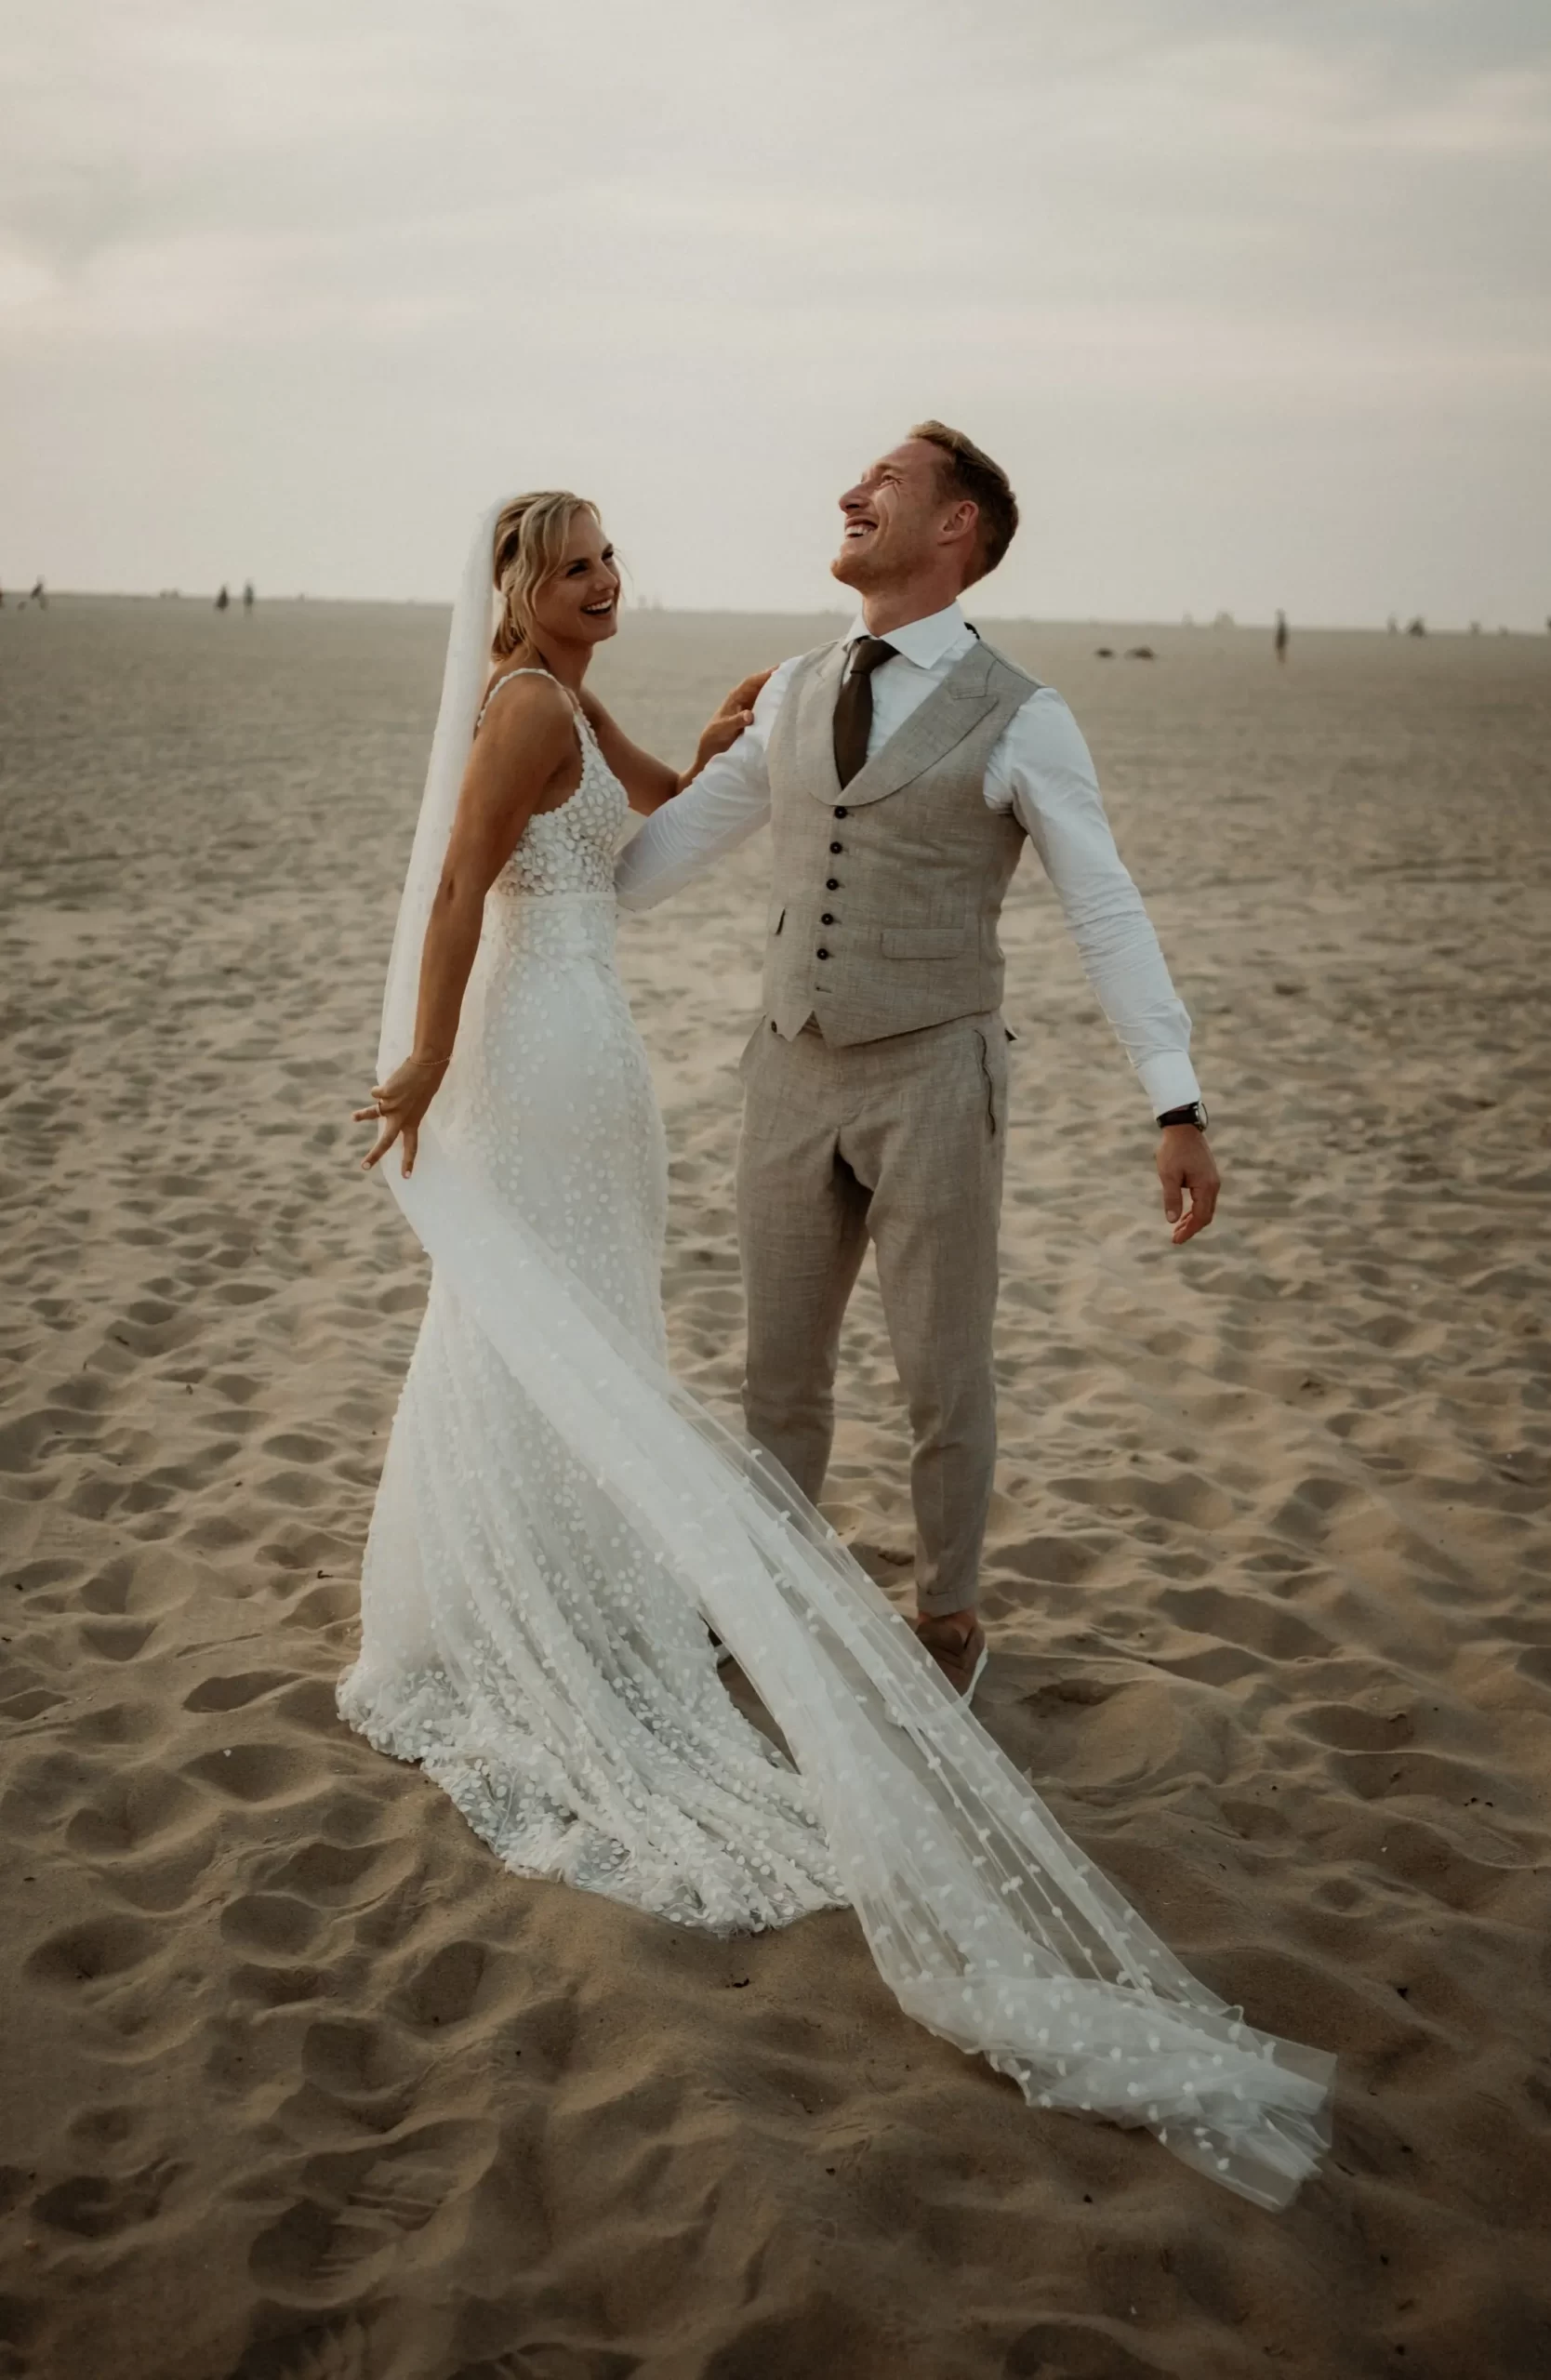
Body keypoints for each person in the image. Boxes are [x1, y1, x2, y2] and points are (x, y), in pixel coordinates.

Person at [342, 483, 1331, 2209]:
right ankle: (668, 1606)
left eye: (610, 563)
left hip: (773, 1062)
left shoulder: (958, 712)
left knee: (793, 1356)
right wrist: (447, 1037)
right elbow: (550, 872)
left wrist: (1174, 1095)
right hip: (657, 1059)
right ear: (523, 585)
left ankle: (891, 1608)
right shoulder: (646, 700)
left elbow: (683, 813)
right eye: (582, 567)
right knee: (659, 1359)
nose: (609, 586)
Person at [616, 426, 1218, 1701]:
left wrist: (1175, 1101)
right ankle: (764, 1590)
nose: (851, 492)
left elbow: (1102, 907)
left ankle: (947, 1609)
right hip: (786, 1067)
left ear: (957, 529)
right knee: (778, 1370)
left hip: (936, 1074)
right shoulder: (789, 688)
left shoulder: (1023, 716)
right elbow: (671, 850)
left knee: (942, 1369)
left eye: (884, 482)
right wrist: (537, 907)